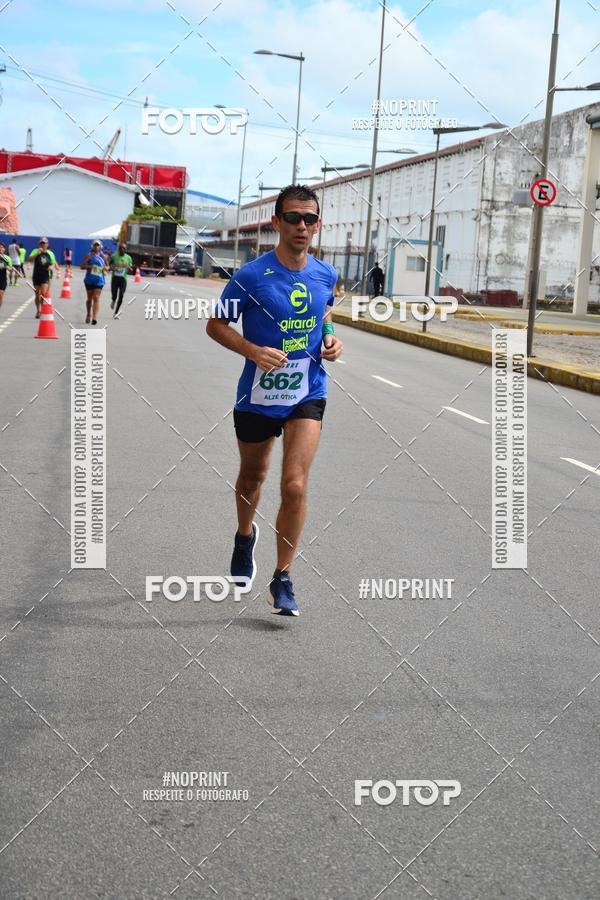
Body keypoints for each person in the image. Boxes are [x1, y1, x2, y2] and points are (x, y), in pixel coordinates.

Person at [206, 184, 344, 617]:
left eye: (310, 218)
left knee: (295, 484)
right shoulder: (250, 276)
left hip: (308, 390)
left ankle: (282, 578)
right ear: (277, 222)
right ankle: (244, 535)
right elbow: (216, 325)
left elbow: (324, 313)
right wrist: (253, 351)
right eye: (293, 217)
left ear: (318, 224)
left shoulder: (325, 274)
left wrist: (331, 339)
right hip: (258, 394)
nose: (302, 225)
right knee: (253, 477)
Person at [80, 240, 106, 325]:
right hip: (89, 280)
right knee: (89, 299)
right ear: (92, 246)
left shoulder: (104, 256)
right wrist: (91, 266)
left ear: (100, 246)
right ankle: (88, 314)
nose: (96, 247)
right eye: (95, 245)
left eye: (98, 245)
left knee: (96, 298)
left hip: (99, 280)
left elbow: (108, 266)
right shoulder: (89, 255)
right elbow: (82, 266)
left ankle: (94, 318)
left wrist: (106, 268)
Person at [29, 238, 56, 317]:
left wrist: (51, 267)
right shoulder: (35, 251)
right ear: (39, 244)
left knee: (43, 293)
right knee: (37, 294)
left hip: (45, 275)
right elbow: (30, 259)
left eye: (44, 243)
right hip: (36, 275)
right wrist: (37, 253)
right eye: (41, 243)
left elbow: (53, 263)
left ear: (47, 244)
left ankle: (42, 309)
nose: (43, 245)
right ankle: (38, 310)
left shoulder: (50, 253)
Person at [109, 242, 133, 318]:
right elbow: (109, 266)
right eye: (121, 248)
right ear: (118, 249)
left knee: (121, 295)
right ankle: (113, 300)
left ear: (126, 249)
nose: (122, 249)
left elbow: (131, 269)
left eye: (124, 248)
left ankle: (116, 313)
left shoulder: (128, 258)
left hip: (123, 279)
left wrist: (129, 268)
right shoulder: (114, 256)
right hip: (115, 278)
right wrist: (113, 268)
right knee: (114, 295)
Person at [0, 242, 13, 309]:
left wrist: (7, 267)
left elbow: (11, 269)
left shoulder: (7, 258)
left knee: (0, 295)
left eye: (2, 247)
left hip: (2, 279)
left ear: (4, 249)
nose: (0, 249)